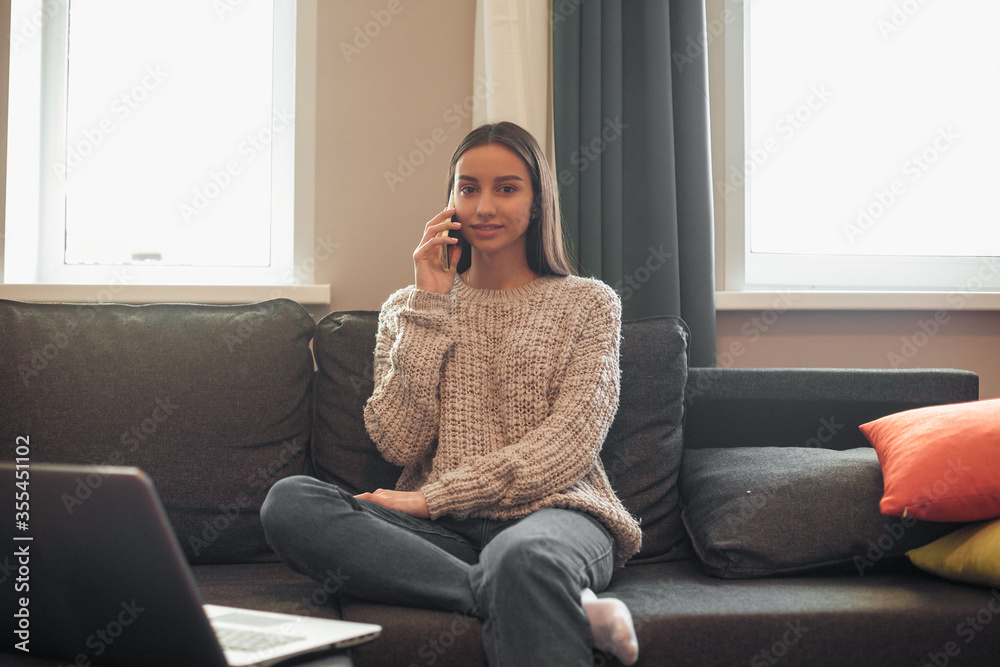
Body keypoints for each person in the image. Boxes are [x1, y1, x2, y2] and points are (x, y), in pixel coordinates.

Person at [261, 121, 642, 666]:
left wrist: (433, 498)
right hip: (441, 534)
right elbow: (398, 441)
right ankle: (559, 605)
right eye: (468, 188)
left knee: (523, 559)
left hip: (556, 511)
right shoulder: (408, 307)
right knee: (291, 503)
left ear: (537, 204)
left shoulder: (589, 304)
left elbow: (570, 443)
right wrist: (431, 305)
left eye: (506, 188)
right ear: (449, 201)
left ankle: (529, 584)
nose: (483, 206)